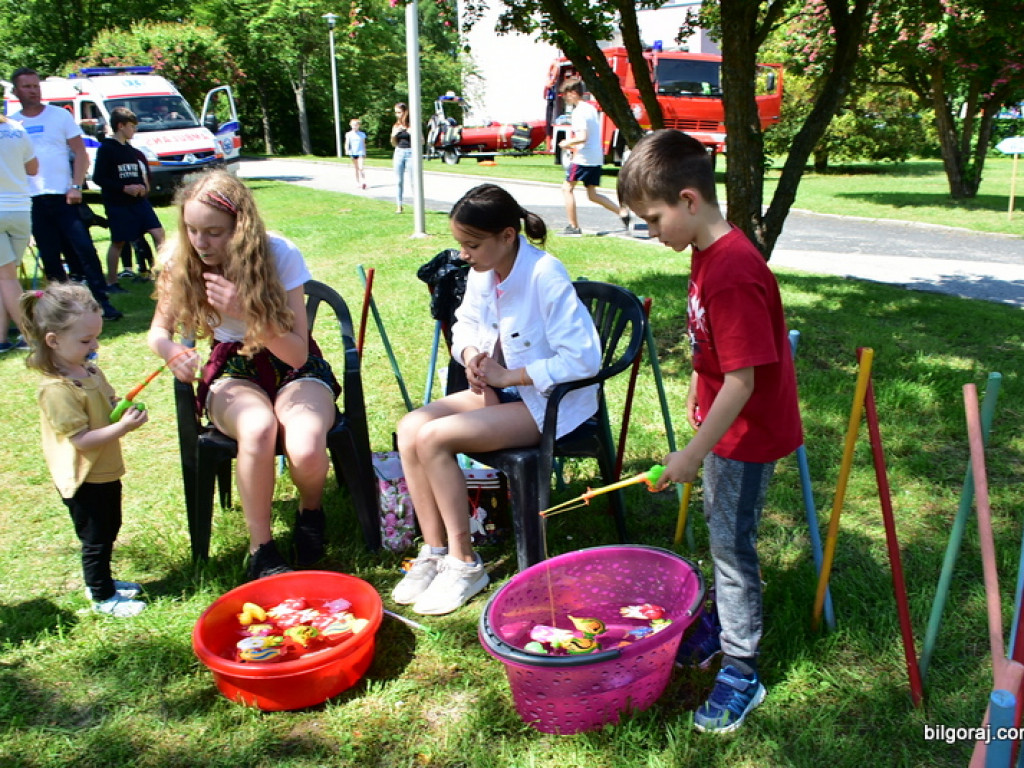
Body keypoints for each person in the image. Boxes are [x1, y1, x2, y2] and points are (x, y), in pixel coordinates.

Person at [617, 129, 803, 733]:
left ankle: (743, 669)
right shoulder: (705, 251)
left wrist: (692, 453)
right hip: (719, 432)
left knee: (731, 548)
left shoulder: (732, 271)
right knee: (722, 538)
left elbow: (744, 382)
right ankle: (724, 626)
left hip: (744, 439)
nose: (651, 233)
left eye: (652, 219)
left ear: (690, 200)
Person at [393, 183, 602, 616]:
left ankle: (465, 563)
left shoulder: (545, 274)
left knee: (433, 439)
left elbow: (584, 358)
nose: (464, 254)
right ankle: (434, 552)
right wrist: (470, 355)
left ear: (508, 236)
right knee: (410, 428)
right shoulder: (483, 272)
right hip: (504, 393)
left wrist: (510, 374)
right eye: (460, 244)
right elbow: (466, 324)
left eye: (472, 244)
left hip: (549, 404)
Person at [147, 169, 341, 580]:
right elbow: (158, 331)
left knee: (305, 445)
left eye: (214, 232)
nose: (201, 242)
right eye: (193, 229)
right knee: (257, 427)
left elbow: (295, 351)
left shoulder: (279, 254)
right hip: (233, 366)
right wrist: (170, 351)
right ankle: (262, 550)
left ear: (242, 227)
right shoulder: (180, 257)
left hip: (290, 360)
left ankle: (311, 514)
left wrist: (246, 311)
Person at [20, 282, 150, 617]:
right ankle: (102, 597)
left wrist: (122, 409)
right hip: (82, 476)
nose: (95, 345)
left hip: (104, 469)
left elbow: (108, 403)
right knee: (96, 537)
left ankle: (104, 582)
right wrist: (122, 428)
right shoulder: (56, 389)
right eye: (85, 340)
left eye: (96, 337)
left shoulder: (89, 369)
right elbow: (80, 440)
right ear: (53, 341)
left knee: (109, 527)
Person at [7, 68, 122, 320]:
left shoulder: (59, 116)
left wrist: (76, 185)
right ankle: (64, 311)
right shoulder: (14, 125)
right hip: (32, 200)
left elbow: (80, 153)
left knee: (84, 250)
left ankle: (101, 302)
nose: (33, 90)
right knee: (50, 257)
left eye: (36, 85)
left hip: (64, 196)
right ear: (16, 91)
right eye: (26, 86)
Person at [92, 107, 165, 293]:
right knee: (119, 242)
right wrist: (124, 188)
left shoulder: (131, 150)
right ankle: (111, 282)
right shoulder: (107, 149)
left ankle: (166, 274)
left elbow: (136, 174)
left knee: (158, 232)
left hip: (139, 202)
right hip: (118, 204)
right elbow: (98, 178)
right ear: (120, 126)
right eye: (131, 126)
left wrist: (140, 186)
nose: (134, 130)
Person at [557, 80, 630, 236]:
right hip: (596, 157)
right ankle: (623, 212)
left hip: (584, 158)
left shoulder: (578, 112)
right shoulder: (590, 108)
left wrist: (566, 142)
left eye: (566, 95)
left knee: (567, 188)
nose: (565, 98)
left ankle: (573, 227)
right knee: (592, 194)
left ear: (573, 93)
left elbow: (582, 136)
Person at [0, 112, 38, 352]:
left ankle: (30, 337)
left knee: (7, 278)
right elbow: (33, 168)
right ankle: (1, 338)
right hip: (21, 209)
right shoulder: (17, 128)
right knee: (4, 277)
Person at [391, 103, 412, 214]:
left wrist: (411, 133)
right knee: (398, 181)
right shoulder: (396, 125)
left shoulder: (412, 125)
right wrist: (394, 135)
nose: (397, 115)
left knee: (414, 181)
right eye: (396, 112)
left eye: (399, 112)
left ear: (405, 112)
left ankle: (417, 205)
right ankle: (399, 205)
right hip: (399, 152)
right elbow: (393, 143)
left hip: (411, 152)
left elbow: (422, 141)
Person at [345, 118, 368, 190]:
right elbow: (347, 143)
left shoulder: (362, 134)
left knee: (361, 167)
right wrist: (347, 150)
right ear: (351, 125)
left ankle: (364, 181)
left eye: (356, 125)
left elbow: (364, 144)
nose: (354, 127)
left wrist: (365, 152)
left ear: (359, 126)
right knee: (356, 168)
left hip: (360, 152)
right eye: (353, 125)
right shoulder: (349, 134)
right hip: (353, 152)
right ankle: (357, 182)